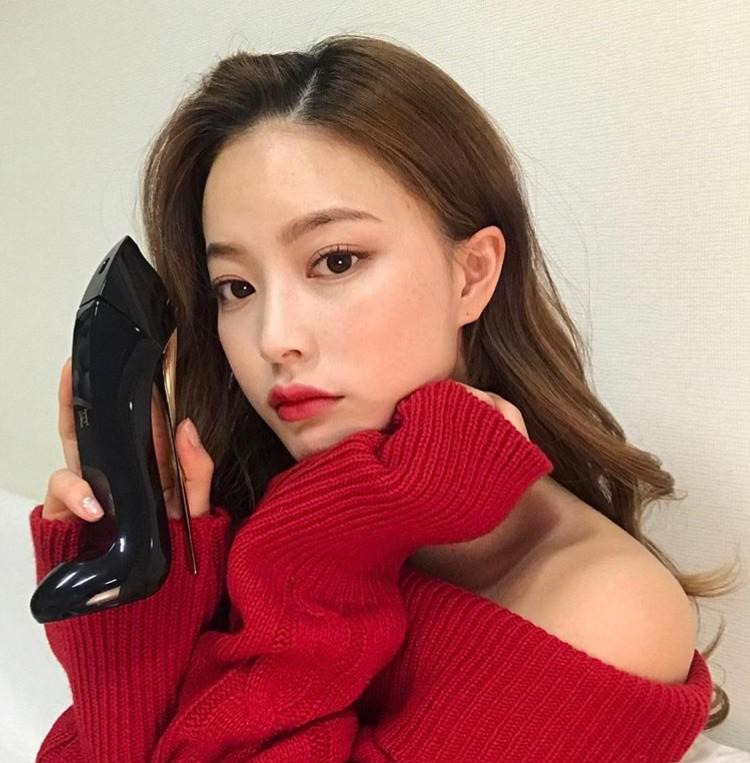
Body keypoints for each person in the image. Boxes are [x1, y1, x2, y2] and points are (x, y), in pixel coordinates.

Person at [30, 33, 741, 762]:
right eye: (236, 287)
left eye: (336, 261)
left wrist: (324, 551)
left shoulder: (603, 611)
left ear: (472, 274)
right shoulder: (254, 507)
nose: (275, 339)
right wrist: (131, 604)